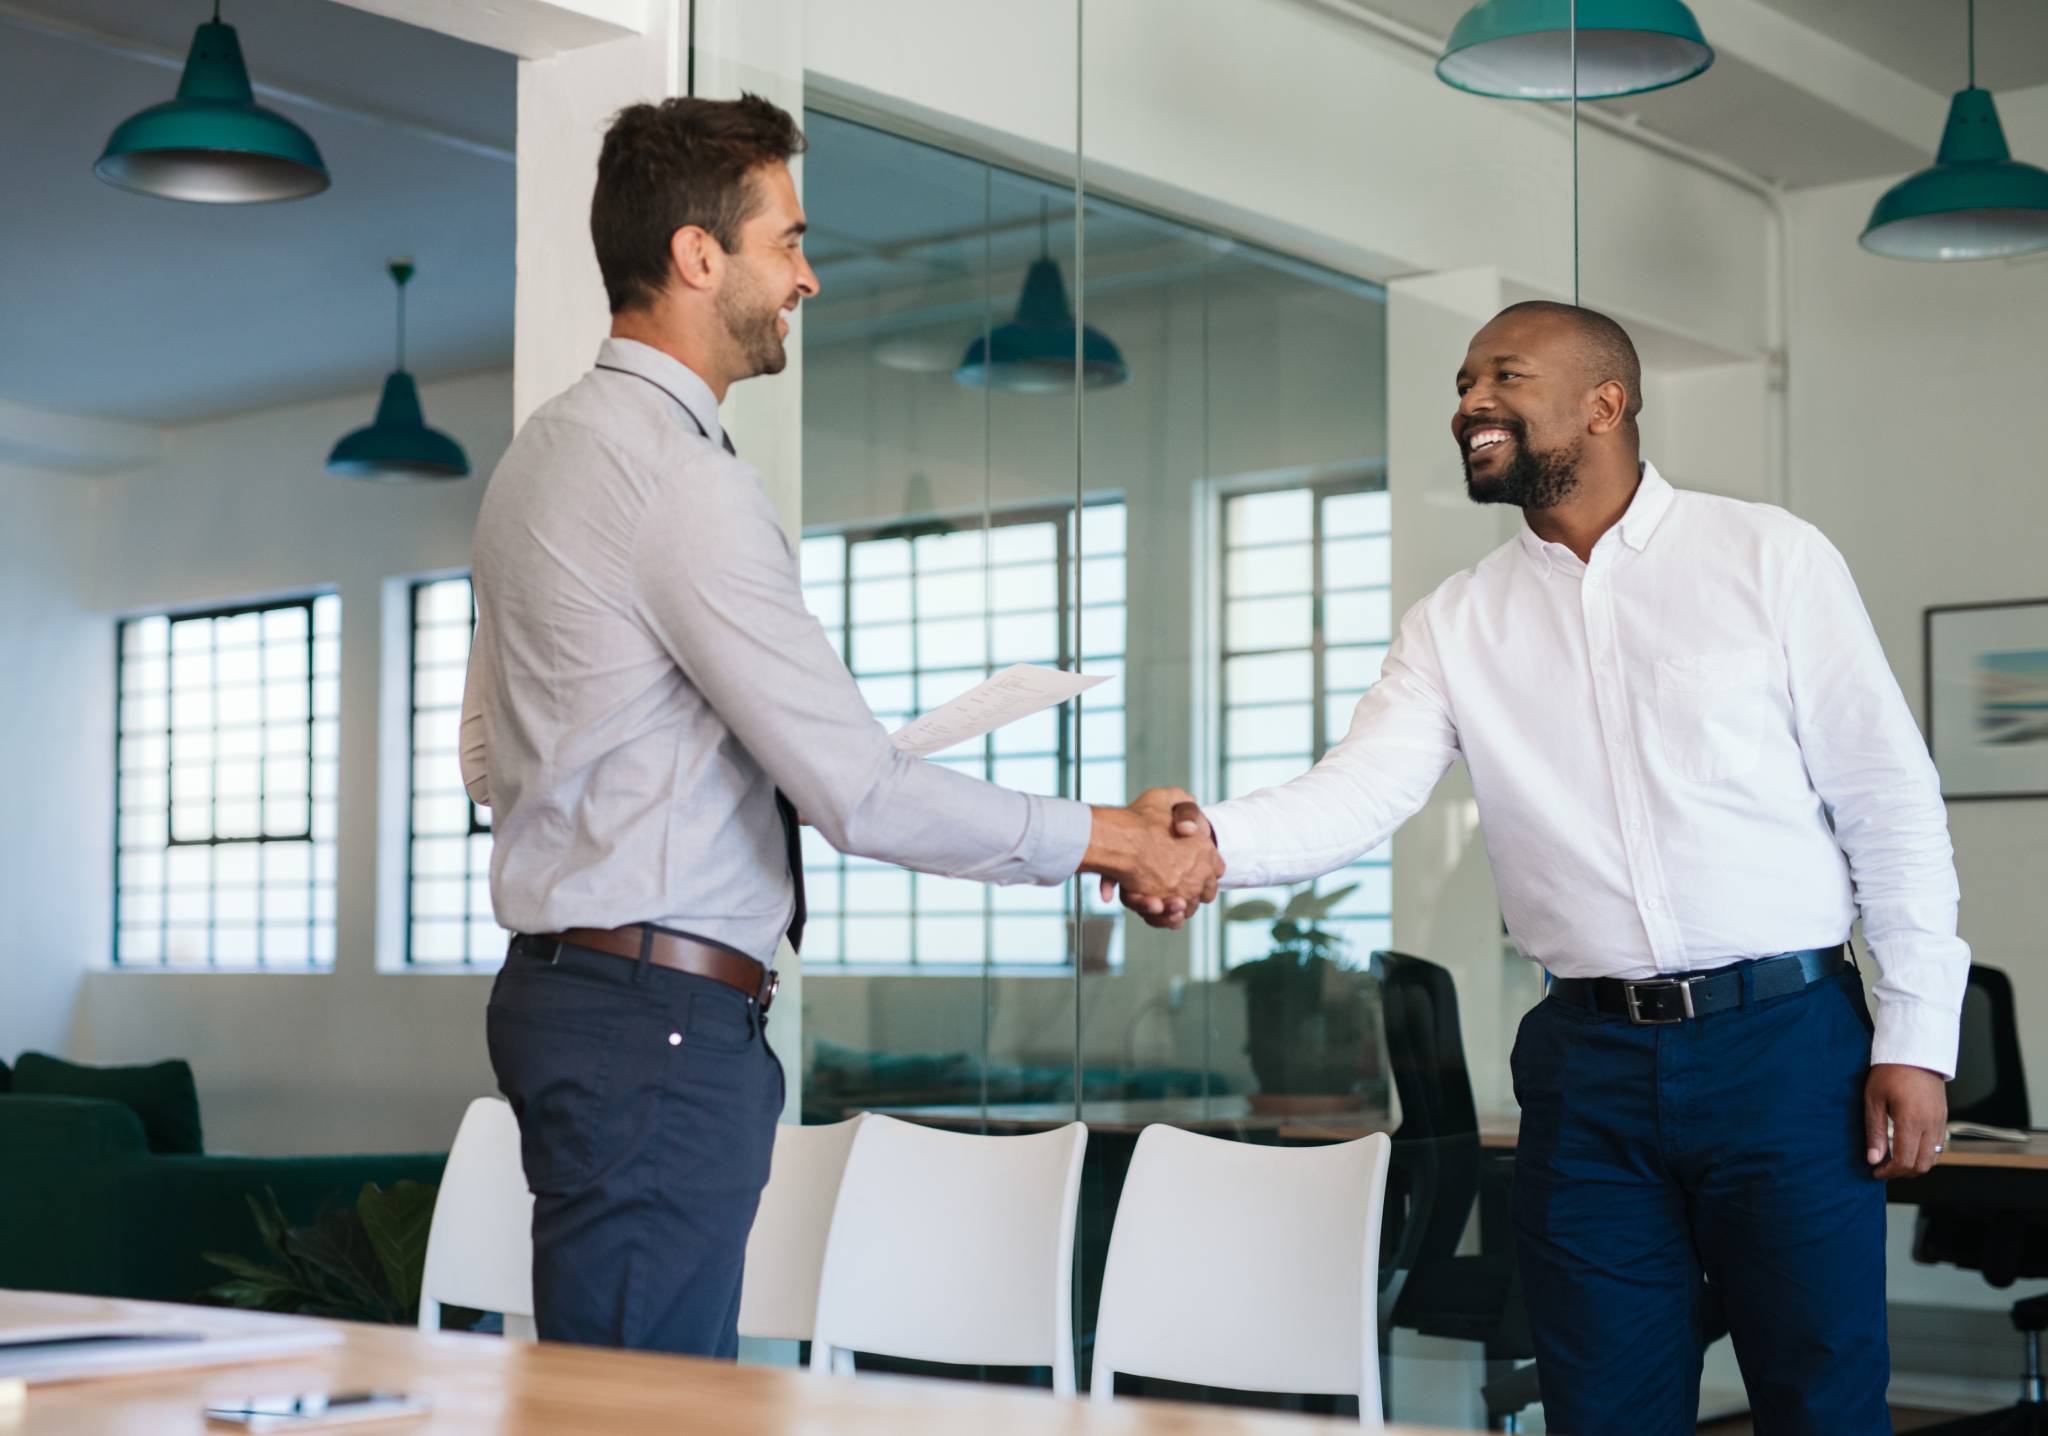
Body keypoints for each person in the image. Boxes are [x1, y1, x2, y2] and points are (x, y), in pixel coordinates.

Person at [1115, 301, 1967, 1435]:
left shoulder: (1767, 556)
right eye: (1462, 380)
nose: (1468, 402)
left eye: (1502, 375)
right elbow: (1359, 788)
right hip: (1588, 1065)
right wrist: (1202, 838)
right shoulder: (1453, 622)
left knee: (1820, 1398)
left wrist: (1914, 1031)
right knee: (1600, 1406)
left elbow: (1886, 799)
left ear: (1603, 402)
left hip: (1785, 1049)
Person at [459, 93, 1220, 1358]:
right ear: (700, 256)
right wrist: (1117, 839)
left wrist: (701, 764)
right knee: (642, 1407)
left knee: (613, 1384)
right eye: (788, 241)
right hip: (655, 1022)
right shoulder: (682, 478)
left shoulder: (541, 456)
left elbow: (493, 758)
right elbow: (858, 795)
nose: (806, 276)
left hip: (578, 998)